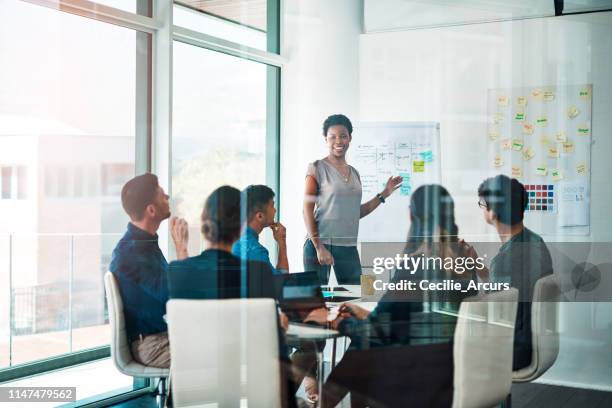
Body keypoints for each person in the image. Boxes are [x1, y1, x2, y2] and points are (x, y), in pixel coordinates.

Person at [306, 184, 477, 407]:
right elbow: (405, 321)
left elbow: (376, 329)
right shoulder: (463, 265)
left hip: (417, 382)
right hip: (449, 374)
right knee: (366, 347)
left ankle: (322, 403)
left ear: (412, 215)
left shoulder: (415, 266)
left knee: (363, 347)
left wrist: (337, 321)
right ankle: (323, 403)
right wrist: (362, 314)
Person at [167, 186, 297, 408]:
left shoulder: (177, 271)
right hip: (250, 373)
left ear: (205, 224)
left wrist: (181, 253)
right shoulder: (258, 271)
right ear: (240, 228)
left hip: (194, 379)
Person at [303, 114, 403, 285]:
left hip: (348, 246)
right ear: (325, 139)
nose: (338, 141)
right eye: (332, 136)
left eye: (343, 135)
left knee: (356, 295)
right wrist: (319, 247)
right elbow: (306, 211)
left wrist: (383, 194)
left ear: (350, 138)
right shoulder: (317, 168)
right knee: (316, 300)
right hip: (319, 243)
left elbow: (355, 212)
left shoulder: (355, 173)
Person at [109, 173, 189, 369]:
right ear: (151, 210)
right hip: (151, 345)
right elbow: (174, 295)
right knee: (221, 353)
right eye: (162, 195)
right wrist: (181, 249)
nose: (168, 197)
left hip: (163, 335)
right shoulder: (131, 253)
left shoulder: (145, 243)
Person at [476, 175, 553, 370]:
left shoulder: (504, 260)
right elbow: (510, 288)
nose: (482, 207)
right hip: (536, 342)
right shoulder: (536, 242)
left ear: (493, 213)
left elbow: (493, 312)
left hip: (513, 351)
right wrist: (476, 265)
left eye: (483, 203)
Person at [232, 184, 289, 274]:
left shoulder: (232, 241)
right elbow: (281, 283)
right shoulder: (255, 251)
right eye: (272, 205)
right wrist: (282, 243)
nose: (275, 210)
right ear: (260, 216)